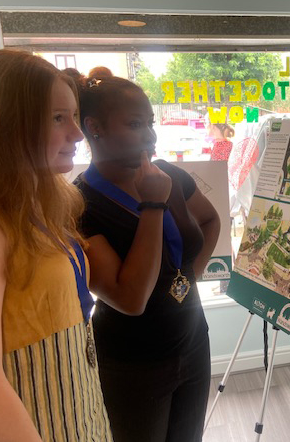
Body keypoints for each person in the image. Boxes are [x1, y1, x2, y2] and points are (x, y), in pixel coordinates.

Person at [0, 50, 112, 441]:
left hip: (78, 413)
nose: (77, 134)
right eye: (58, 118)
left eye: (74, 117)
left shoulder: (42, 200)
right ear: (7, 125)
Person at [72, 72, 220, 442]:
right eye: (136, 124)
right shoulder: (79, 204)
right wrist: (153, 204)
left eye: (151, 123)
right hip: (133, 365)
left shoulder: (168, 173)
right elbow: (129, 298)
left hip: (192, 343)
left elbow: (210, 219)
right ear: (94, 128)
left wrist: (188, 277)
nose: (150, 136)